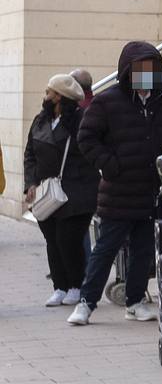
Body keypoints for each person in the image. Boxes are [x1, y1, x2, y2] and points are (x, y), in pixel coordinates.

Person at [70, 41, 162, 326]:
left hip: (149, 192)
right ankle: (86, 302)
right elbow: (86, 137)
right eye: (141, 68)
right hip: (117, 191)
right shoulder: (107, 102)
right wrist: (109, 165)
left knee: (144, 251)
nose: (147, 75)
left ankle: (134, 301)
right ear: (128, 70)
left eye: (153, 68)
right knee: (106, 249)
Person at [23, 74, 97, 308]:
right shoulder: (40, 121)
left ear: (60, 96)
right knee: (52, 241)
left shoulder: (81, 120)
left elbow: (93, 153)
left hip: (76, 191)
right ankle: (59, 287)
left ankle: (76, 285)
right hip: (46, 192)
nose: (45, 96)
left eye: (49, 92)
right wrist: (31, 184)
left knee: (69, 240)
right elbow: (30, 156)